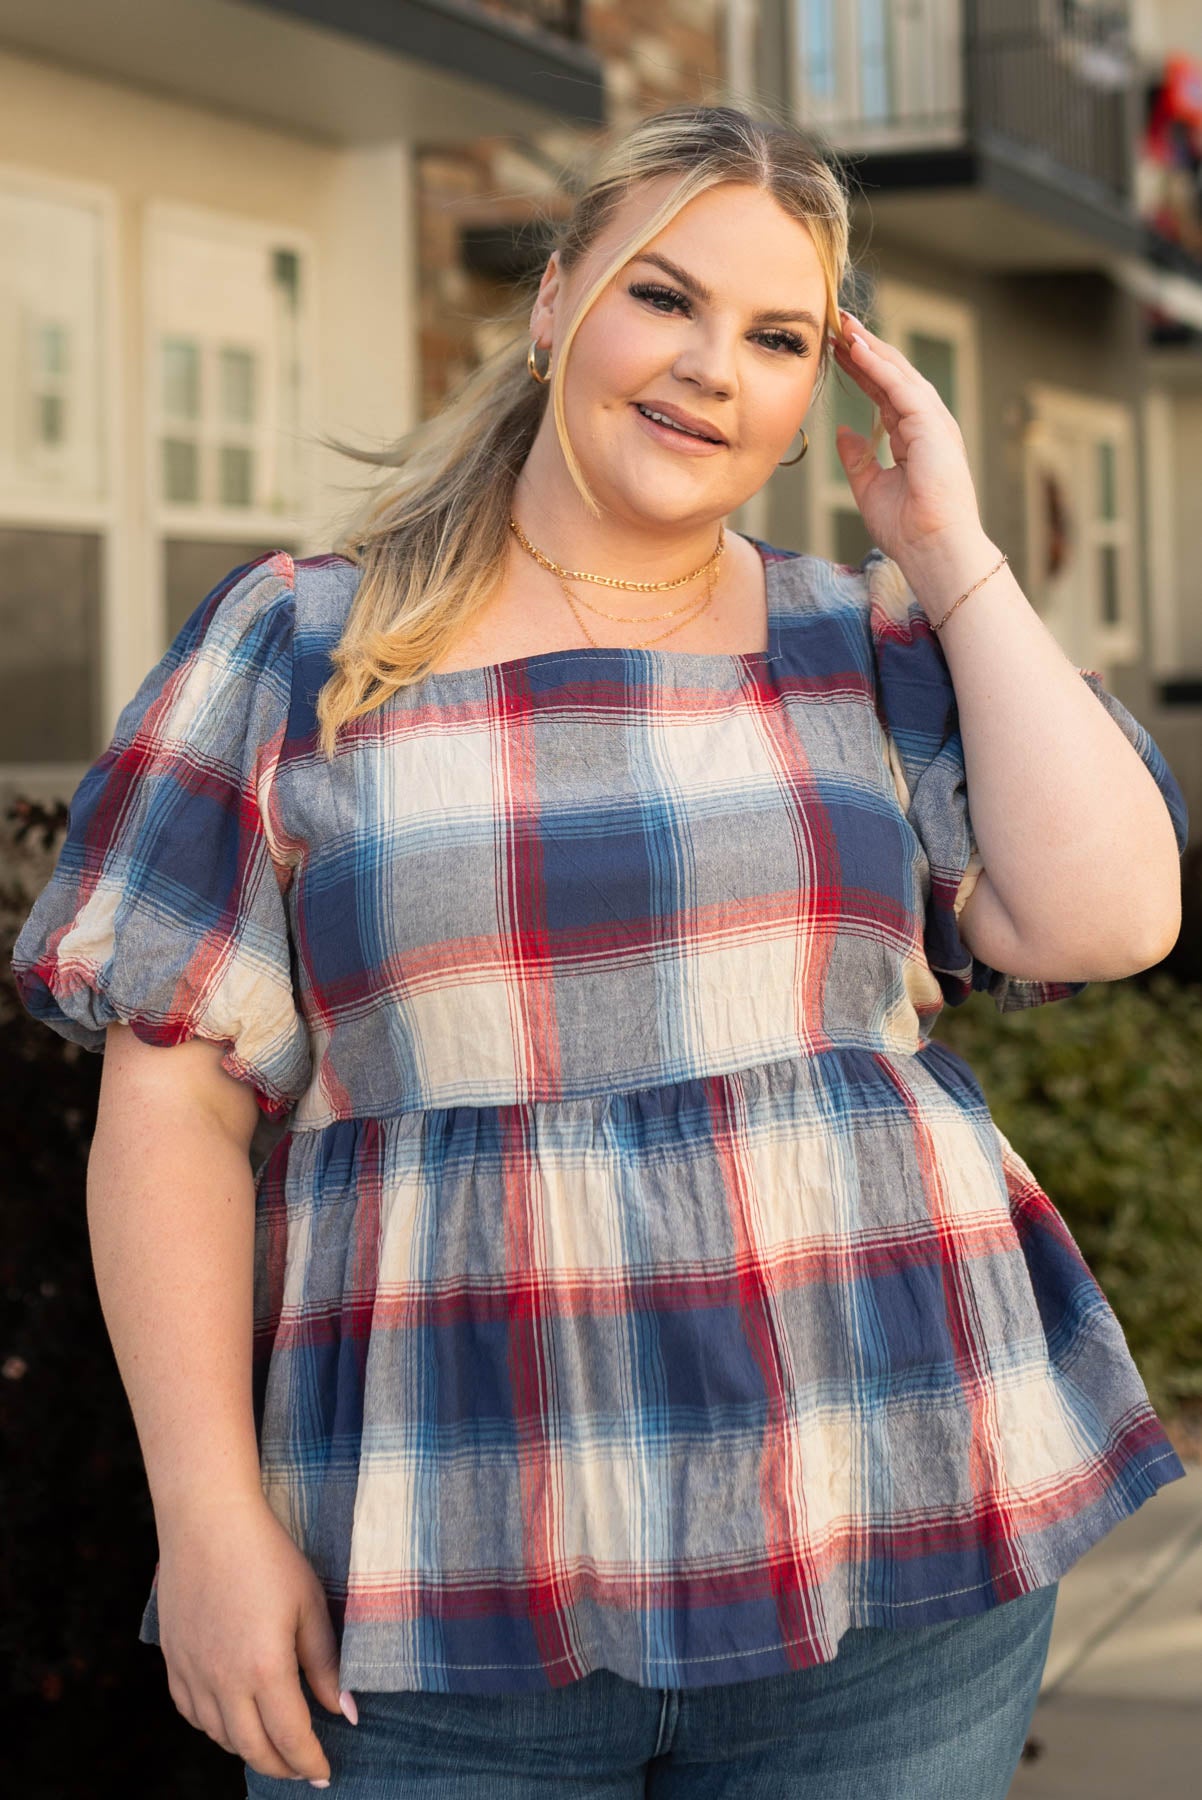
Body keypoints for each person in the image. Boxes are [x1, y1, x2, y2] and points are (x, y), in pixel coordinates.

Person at [10, 102, 1190, 1800]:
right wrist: (207, 1523)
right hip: (431, 1579)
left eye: (779, 337)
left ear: (815, 393)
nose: (714, 365)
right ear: (557, 301)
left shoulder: (866, 642)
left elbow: (1103, 916)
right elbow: (173, 1112)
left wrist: (946, 546)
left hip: (892, 1526)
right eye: (666, 297)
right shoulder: (298, 647)